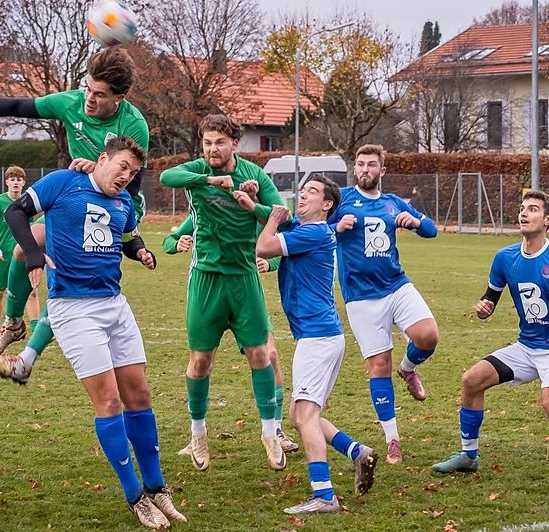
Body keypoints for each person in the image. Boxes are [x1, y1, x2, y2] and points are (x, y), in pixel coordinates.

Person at [5, 136, 185, 530]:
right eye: (121, 166)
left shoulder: (123, 202)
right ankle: (135, 496)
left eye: (133, 173)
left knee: (140, 393)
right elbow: (16, 215)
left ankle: (157, 488)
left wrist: (140, 251)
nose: (126, 176)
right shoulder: (63, 182)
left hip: (115, 305)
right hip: (73, 308)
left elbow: (126, 235)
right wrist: (34, 255)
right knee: (109, 402)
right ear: (103, 159)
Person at [0, 48, 150, 383]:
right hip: (73, 203)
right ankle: (13, 325)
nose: (89, 99)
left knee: (70, 283)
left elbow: (131, 182)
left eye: (99, 95)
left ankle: (26, 358)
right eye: (88, 88)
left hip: (114, 208)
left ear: (120, 98)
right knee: (23, 250)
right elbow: (21, 107)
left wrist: (95, 174)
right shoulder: (71, 102)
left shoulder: (133, 124)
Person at [431, 190, 549, 474]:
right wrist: (485, 308)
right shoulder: (504, 257)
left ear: (547, 220)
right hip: (526, 347)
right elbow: (490, 298)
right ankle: (469, 456)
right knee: (472, 380)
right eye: (522, 208)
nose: (523, 213)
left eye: (532, 209)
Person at [159, 114, 286, 473]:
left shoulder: (255, 175)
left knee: (261, 354)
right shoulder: (198, 171)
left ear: (235, 143)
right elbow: (168, 176)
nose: (213, 149)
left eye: (219, 142)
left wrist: (254, 205)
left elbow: (281, 214)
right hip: (206, 279)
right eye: (207, 143)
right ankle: (198, 433)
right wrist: (208, 178)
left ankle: (268, 431)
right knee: (201, 361)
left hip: (244, 278)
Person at [255, 176, 378, 515]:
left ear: (327, 205)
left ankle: (324, 495)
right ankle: (357, 452)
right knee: (298, 414)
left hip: (318, 337)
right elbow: (271, 216)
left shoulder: (313, 232)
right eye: (303, 190)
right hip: (316, 336)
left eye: (311, 192)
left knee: (305, 415)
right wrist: (253, 202)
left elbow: (263, 247)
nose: (303, 195)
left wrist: (271, 220)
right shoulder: (306, 230)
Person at [328, 144, 439, 465]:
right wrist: (336, 226)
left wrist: (416, 224)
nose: (364, 169)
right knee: (378, 367)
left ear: (382, 171)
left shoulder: (393, 203)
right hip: (361, 298)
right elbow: (313, 227)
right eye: (360, 164)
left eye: (371, 164)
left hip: (396, 286)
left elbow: (431, 231)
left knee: (428, 336)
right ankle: (393, 440)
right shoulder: (342, 200)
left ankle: (408, 369)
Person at [162, 215, 299, 454]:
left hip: (246, 296)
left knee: (271, 355)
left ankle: (275, 430)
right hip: (210, 294)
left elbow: (286, 242)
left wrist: (271, 263)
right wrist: (177, 244)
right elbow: (169, 240)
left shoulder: (256, 211)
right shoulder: (203, 208)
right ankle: (197, 433)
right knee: (203, 362)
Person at [0, 165, 40, 335]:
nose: (16, 182)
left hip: (23, 255)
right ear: (7, 182)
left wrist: (33, 250)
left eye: (19, 179)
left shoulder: (26, 203)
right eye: (12, 179)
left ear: (23, 183)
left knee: (32, 291)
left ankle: (35, 330)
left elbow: (30, 228)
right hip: (3, 256)